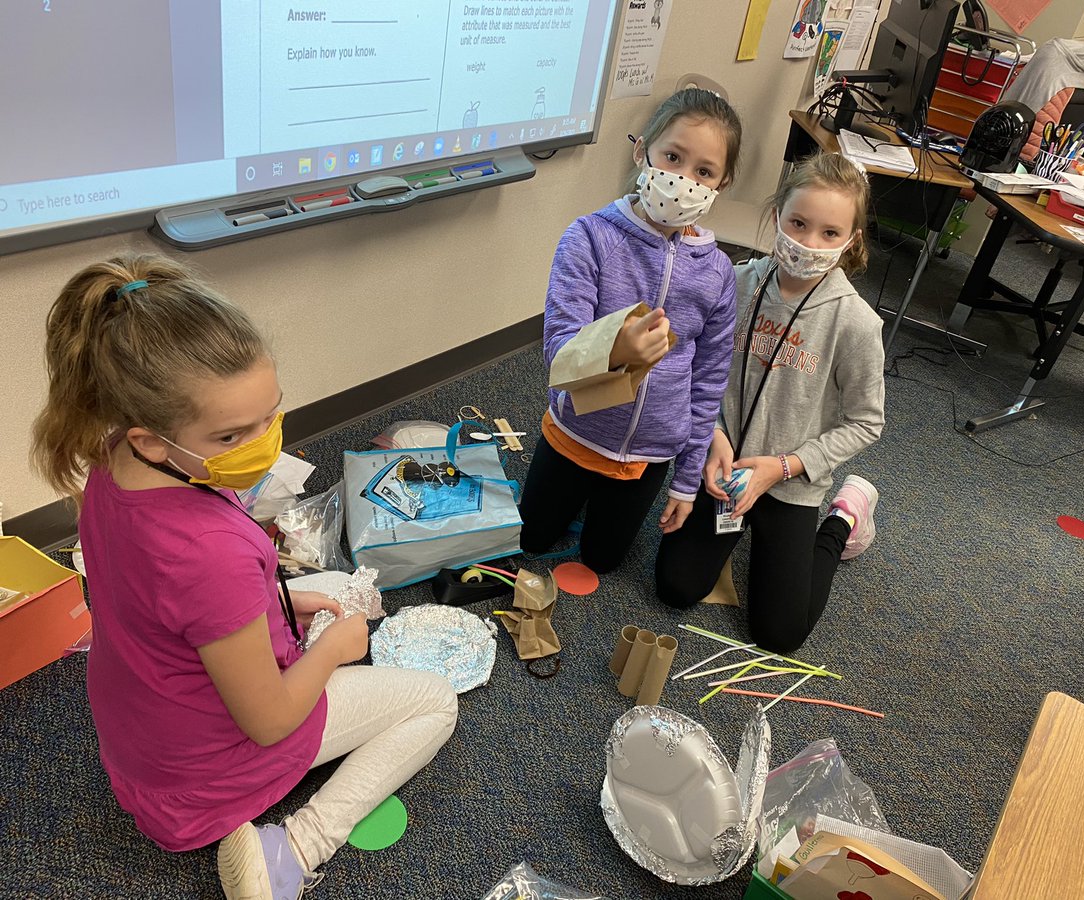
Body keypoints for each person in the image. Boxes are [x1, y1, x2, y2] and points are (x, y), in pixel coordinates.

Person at [30, 255, 458, 900]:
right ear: (151, 439)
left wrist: (279, 599)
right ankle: (294, 847)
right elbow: (267, 721)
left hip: (141, 731)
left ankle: (305, 630)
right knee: (433, 701)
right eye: (232, 434)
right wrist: (337, 649)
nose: (263, 444)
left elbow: (165, 602)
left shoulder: (112, 461)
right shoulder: (209, 551)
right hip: (196, 780)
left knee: (336, 591)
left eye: (270, 417)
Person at [655, 153, 885, 653]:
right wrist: (712, 434)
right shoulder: (734, 282)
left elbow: (867, 422)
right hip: (723, 468)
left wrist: (785, 466)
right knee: (674, 589)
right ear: (777, 213)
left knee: (780, 635)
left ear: (852, 240)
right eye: (798, 223)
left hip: (790, 481)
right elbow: (693, 367)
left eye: (829, 233)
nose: (808, 242)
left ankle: (845, 517)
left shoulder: (857, 323)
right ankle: (733, 533)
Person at [519, 88, 742, 573]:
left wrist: (686, 481)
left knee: (602, 561)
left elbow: (708, 381)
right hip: (575, 431)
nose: (683, 180)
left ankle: (600, 506)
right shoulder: (590, 237)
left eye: (703, 172)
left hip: (648, 452)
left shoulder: (718, 272)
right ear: (643, 151)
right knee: (531, 540)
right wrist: (616, 348)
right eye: (673, 157)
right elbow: (558, 350)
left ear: (721, 184)